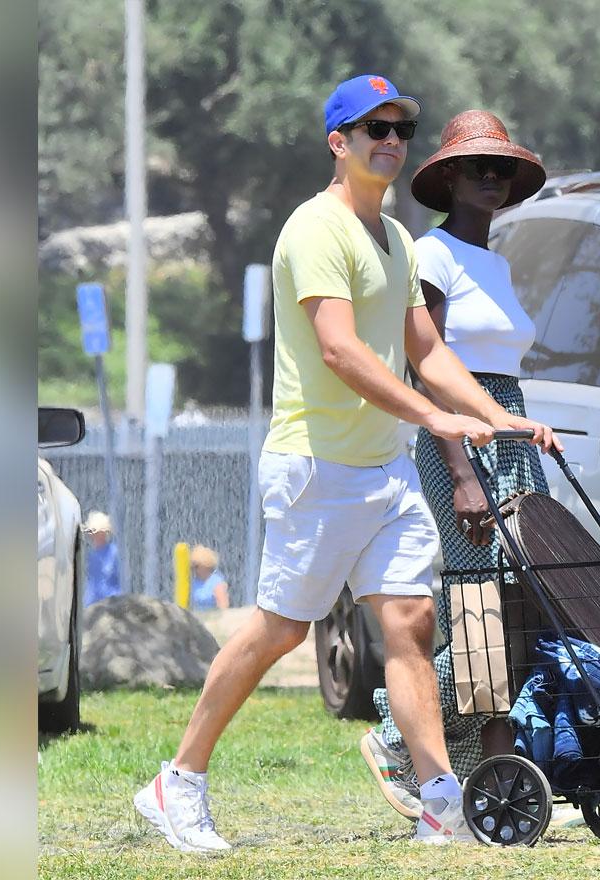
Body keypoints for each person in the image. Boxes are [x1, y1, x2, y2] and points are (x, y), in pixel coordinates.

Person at [132, 75, 557, 853]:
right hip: (316, 466)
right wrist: (434, 416)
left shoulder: (395, 238)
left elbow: (425, 347)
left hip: (386, 471)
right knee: (278, 631)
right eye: (373, 129)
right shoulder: (314, 229)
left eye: (400, 129)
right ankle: (178, 781)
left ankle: (438, 800)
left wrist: (499, 417)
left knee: (411, 621)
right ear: (339, 141)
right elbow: (339, 349)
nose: (390, 141)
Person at [360, 110, 580, 824]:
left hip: (507, 422)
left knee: (521, 600)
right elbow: (430, 369)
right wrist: (459, 470)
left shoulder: (498, 262)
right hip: (461, 435)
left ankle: (495, 767)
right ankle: (400, 738)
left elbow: (500, 371)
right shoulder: (433, 254)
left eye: (502, 170)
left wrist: (509, 426)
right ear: (449, 176)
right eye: (478, 167)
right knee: (478, 600)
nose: (493, 179)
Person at [81, 511, 120, 605]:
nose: (97, 536)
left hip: (111, 604)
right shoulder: (92, 555)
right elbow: (92, 583)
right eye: (95, 533)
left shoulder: (114, 552)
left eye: (100, 533)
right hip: (92, 604)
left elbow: (119, 580)